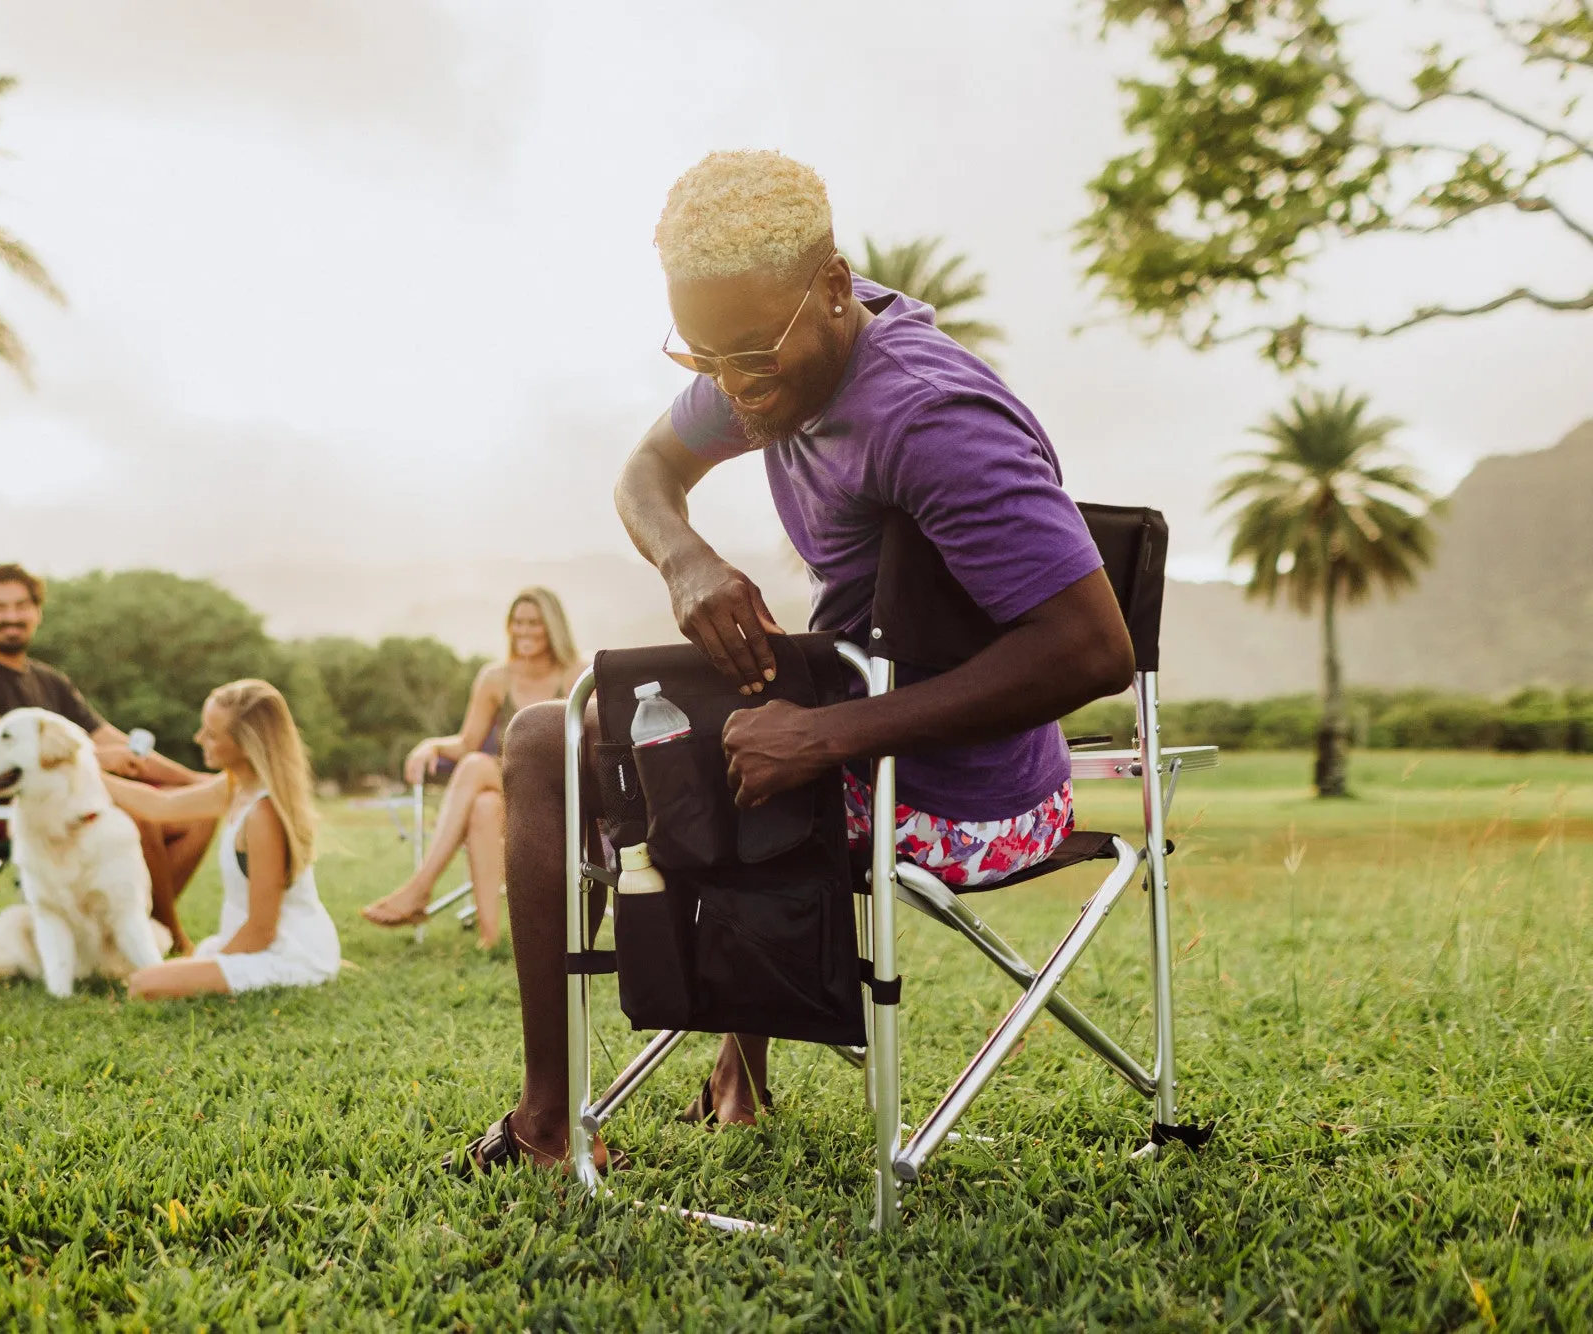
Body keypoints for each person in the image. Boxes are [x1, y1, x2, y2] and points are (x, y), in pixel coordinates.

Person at [450, 151, 1136, 1173]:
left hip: (972, 801)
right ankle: (733, 1069)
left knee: (549, 740)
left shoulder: (931, 419)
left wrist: (831, 734)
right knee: (739, 696)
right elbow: (644, 474)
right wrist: (684, 561)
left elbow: (1093, 648)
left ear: (830, 289)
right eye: (702, 356)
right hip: (853, 728)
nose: (731, 387)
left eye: (749, 354)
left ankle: (549, 1124)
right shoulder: (768, 344)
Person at [0, 563, 215, 953]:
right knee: (135, 816)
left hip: (75, 802)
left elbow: (120, 744)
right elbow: (0, 750)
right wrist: (97, 758)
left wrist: (199, 782)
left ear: (36, 612)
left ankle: (133, 931)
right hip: (6, 809)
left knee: (197, 816)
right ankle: (171, 941)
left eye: (21, 605)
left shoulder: (50, 682)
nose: (11, 616)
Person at [360, 588, 583, 950]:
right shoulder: (496, 679)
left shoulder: (575, 674)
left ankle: (420, 888)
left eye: (535, 623)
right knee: (482, 806)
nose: (524, 631)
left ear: (553, 626)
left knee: (477, 765)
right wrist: (430, 745)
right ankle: (490, 937)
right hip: (509, 789)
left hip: (561, 789)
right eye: (518, 622)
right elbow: (466, 742)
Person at [104, 679, 341, 1000]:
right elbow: (161, 806)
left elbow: (262, 930)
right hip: (250, 944)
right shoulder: (235, 786)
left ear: (246, 744)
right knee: (151, 978)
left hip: (283, 952)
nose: (199, 738)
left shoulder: (263, 815)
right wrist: (89, 768)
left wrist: (212, 966)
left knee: (144, 985)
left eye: (212, 735)